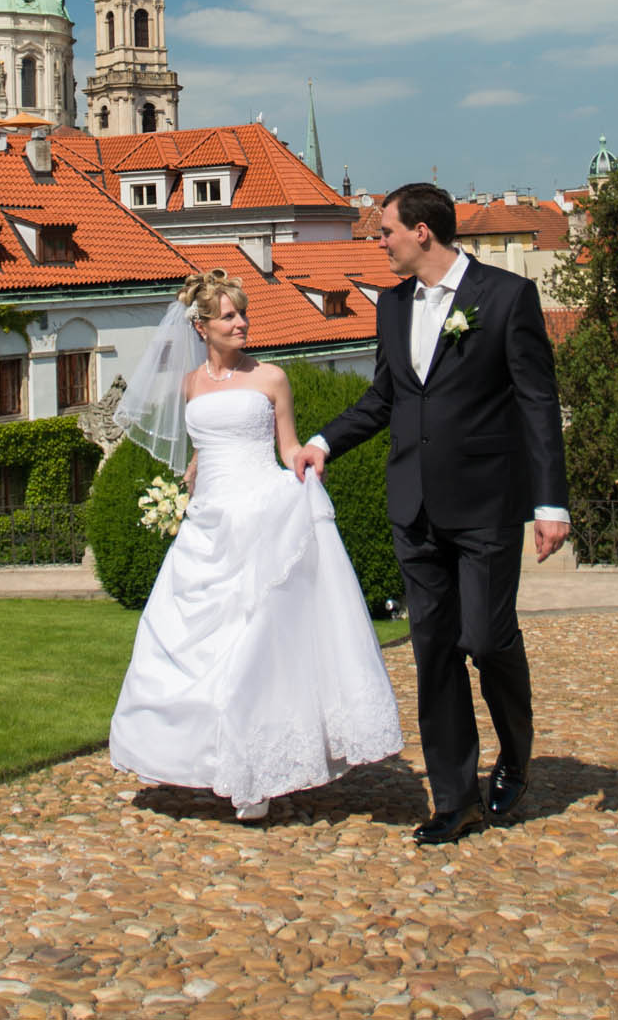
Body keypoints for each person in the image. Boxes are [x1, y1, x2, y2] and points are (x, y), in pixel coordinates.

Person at [291, 182, 568, 845]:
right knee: (434, 651)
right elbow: (386, 396)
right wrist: (323, 441)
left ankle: (517, 753)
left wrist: (550, 501)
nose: (376, 240)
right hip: (411, 503)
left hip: (484, 502)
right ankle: (454, 798)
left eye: (384, 230)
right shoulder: (390, 305)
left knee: (486, 637)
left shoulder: (505, 297)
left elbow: (536, 400)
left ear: (421, 231)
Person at [107, 269, 404, 821]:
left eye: (242, 314)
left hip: (261, 514)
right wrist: (191, 479)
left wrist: (307, 470)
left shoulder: (271, 377)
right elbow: (201, 449)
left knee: (252, 646)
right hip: (207, 524)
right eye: (228, 316)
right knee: (179, 637)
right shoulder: (191, 384)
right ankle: (189, 755)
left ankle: (255, 773)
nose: (241, 323)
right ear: (201, 327)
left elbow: (287, 446)